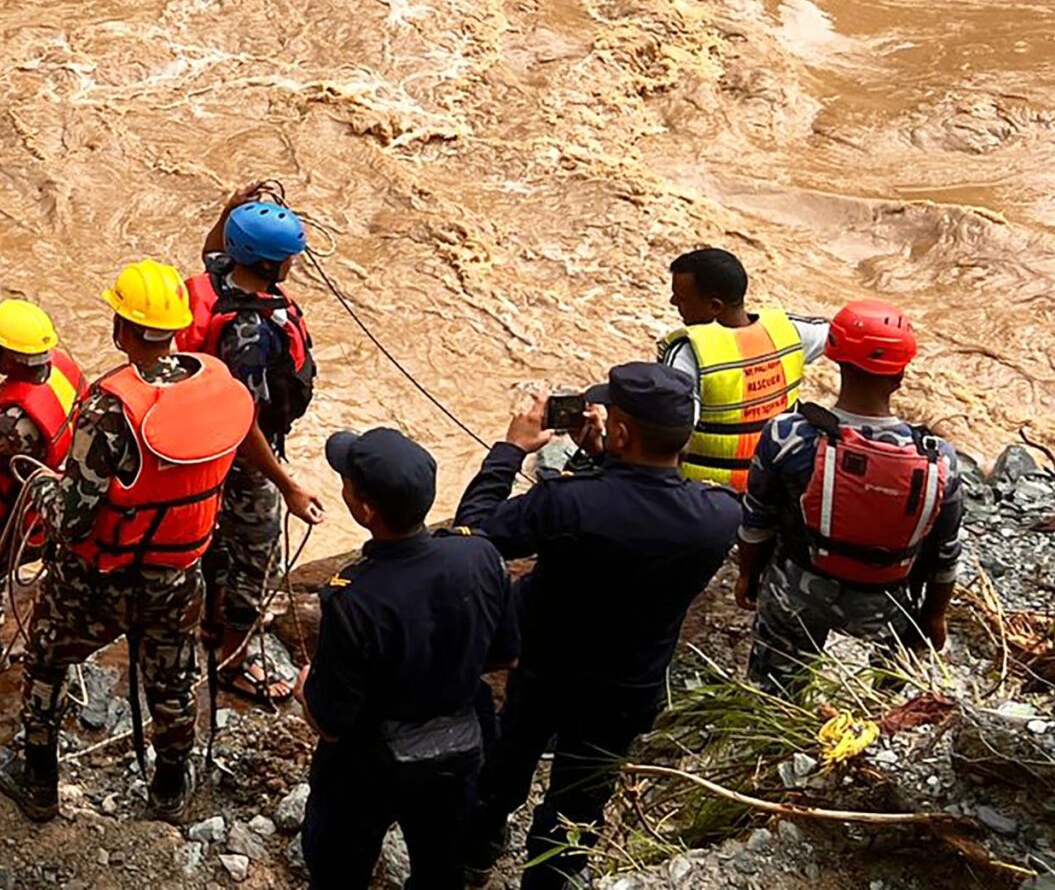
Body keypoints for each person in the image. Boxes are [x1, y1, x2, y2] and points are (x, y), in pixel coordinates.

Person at [0, 261, 322, 823]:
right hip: (176, 574)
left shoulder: (110, 407)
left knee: (48, 662)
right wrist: (287, 484)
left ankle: (39, 778)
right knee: (172, 678)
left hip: (95, 579)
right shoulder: (218, 384)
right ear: (177, 326)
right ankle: (171, 786)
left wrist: (40, 484)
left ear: (122, 329)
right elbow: (246, 432)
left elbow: (73, 519)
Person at [457, 363, 741, 890]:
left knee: (508, 761)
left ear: (624, 432)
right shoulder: (718, 515)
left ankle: (476, 852)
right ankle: (551, 879)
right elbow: (641, 501)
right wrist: (604, 458)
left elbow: (474, 530)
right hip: (629, 683)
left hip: (545, 666)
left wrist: (511, 449)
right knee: (583, 793)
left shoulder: (567, 502)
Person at [300, 429, 517, 890]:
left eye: (348, 481)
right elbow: (503, 656)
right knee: (441, 865)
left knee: (337, 862)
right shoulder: (479, 555)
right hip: (457, 751)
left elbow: (332, 722)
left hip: (368, 765)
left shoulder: (352, 600)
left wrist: (304, 691)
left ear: (364, 509)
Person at [737, 298, 962, 690]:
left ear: (835, 359)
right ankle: (878, 726)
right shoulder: (939, 458)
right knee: (887, 698)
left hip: (797, 590)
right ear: (900, 375)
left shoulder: (788, 435)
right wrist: (934, 616)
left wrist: (748, 577)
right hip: (886, 602)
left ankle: (775, 718)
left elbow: (757, 522)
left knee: (774, 686)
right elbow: (945, 554)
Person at [179, 191, 319, 704]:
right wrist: (288, 487)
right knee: (255, 555)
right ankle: (234, 658)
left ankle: (210, 623)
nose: (292, 265)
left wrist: (231, 209)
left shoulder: (221, 278)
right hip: (244, 456)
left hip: (205, 443)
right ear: (269, 262)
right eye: (288, 257)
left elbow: (210, 249)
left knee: (217, 538)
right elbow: (245, 421)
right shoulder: (249, 332)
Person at [0, 298, 85, 676]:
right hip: (53, 506)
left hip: (15, 522)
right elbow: (1, 401)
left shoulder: (14, 428)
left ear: (6, 357)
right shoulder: (61, 369)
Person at [659, 245, 827, 491]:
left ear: (715, 306)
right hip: (776, 491)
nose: (673, 302)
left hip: (709, 497)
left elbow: (669, 437)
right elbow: (845, 333)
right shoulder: (791, 331)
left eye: (682, 298)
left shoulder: (686, 353)